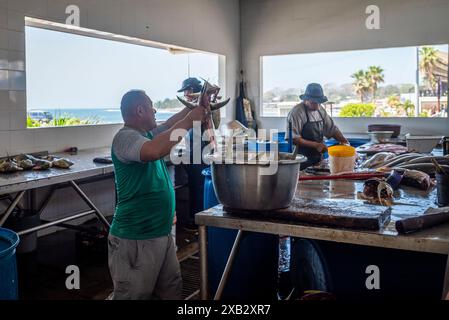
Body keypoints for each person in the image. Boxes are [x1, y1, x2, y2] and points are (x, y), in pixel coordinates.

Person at [108, 90, 206, 299]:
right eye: (151, 106)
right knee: (133, 294)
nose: (155, 111)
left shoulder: (146, 134)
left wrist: (194, 107)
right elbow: (154, 151)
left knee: (170, 290)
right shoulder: (125, 138)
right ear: (140, 110)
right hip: (135, 238)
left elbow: (171, 124)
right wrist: (190, 121)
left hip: (160, 233)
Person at [286, 83, 349, 169]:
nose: (317, 105)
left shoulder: (320, 109)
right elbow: (293, 138)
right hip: (301, 160)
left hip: (318, 159)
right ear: (306, 100)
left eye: (319, 102)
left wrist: (345, 142)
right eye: (314, 102)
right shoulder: (297, 112)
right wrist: (316, 145)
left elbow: (332, 129)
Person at [177, 77, 208, 232]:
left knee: (198, 187)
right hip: (196, 151)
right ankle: (197, 220)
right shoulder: (195, 109)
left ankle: (195, 221)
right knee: (197, 187)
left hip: (199, 152)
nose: (186, 94)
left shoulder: (199, 108)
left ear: (192, 90)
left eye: (187, 91)